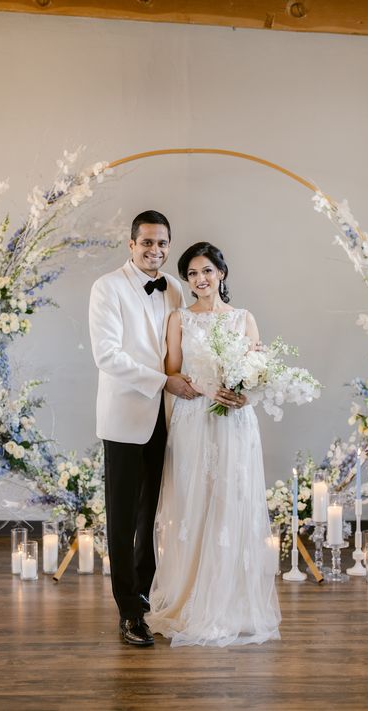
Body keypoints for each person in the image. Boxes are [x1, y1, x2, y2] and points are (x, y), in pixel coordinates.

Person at [146, 242, 281, 647]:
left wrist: (244, 394)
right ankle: (189, 598)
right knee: (194, 503)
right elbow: (172, 370)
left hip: (235, 424)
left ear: (221, 273)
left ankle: (230, 602)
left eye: (206, 271)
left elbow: (258, 371)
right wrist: (207, 389)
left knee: (230, 502)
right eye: (191, 274)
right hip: (194, 418)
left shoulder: (244, 318)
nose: (199, 280)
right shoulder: (179, 317)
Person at [89, 210, 200, 647]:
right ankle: (128, 612)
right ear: (132, 244)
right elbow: (107, 355)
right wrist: (162, 381)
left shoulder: (174, 287)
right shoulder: (107, 287)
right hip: (123, 418)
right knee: (121, 518)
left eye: (162, 243)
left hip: (168, 418)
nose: (155, 250)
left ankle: (146, 593)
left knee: (152, 514)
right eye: (147, 242)